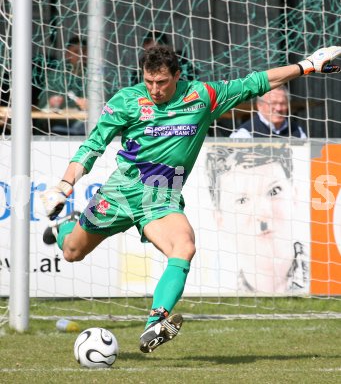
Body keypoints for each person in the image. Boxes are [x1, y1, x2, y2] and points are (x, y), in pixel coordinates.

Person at [40, 45, 341, 353]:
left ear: (177, 76)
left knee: (184, 245)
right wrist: (64, 186)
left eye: (162, 82)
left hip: (160, 199)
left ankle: (154, 323)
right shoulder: (126, 101)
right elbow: (92, 146)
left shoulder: (201, 96)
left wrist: (306, 66)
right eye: (149, 82)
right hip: (120, 193)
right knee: (72, 252)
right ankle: (66, 225)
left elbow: (255, 83)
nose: (155, 90)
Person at [206, 143, 309, 293]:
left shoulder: (328, 272)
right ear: (220, 221)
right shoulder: (226, 295)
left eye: (274, 191)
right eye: (242, 200)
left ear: (294, 196)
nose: (263, 214)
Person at [37, 36, 88, 135]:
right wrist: (51, 103)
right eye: (77, 52)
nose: (82, 56)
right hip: (60, 127)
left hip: (86, 127)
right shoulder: (55, 75)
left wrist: (92, 105)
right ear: (67, 54)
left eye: (85, 51)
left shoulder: (94, 77)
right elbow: (42, 107)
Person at [230, 85, 307, 138]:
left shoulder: (297, 131)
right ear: (259, 105)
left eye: (283, 103)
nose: (279, 108)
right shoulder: (245, 134)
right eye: (273, 103)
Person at [130, 31, 195, 85]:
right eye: (147, 52)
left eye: (155, 52)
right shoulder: (139, 71)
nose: (150, 57)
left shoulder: (183, 66)